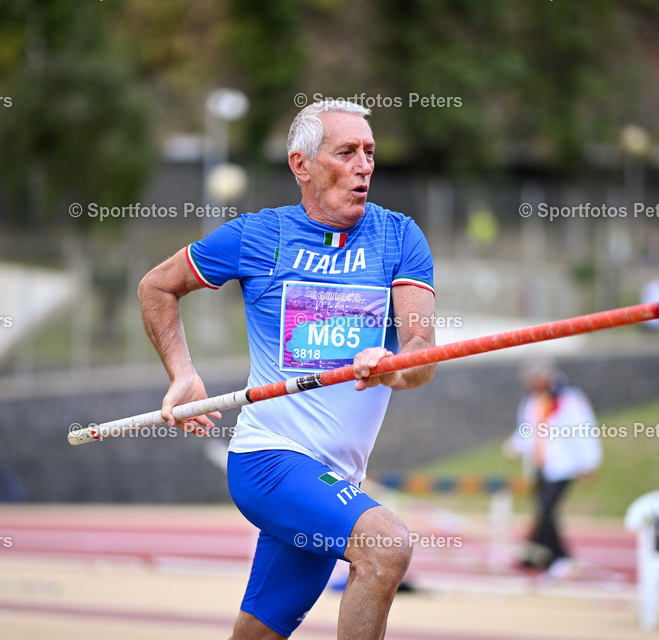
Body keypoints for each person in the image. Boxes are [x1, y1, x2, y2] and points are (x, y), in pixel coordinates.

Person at [138, 100, 436, 639]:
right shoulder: (258, 236)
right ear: (302, 165)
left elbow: (420, 353)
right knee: (386, 543)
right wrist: (182, 373)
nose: (364, 165)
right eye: (346, 152)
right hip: (269, 461)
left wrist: (393, 366)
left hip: (333, 477)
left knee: (259, 632)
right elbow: (157, 285)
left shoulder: (399, 238)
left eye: (370, 152)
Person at [505, 359, 602, 576]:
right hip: (539, 466)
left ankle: (561, 556)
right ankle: (536, 554)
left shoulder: (570, 399)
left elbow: (585, 430)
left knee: (547, 511)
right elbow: (526, 430)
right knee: (542, 511)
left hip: (563, 466)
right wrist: (514, 446)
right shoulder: (531, 401)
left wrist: (590, 462)